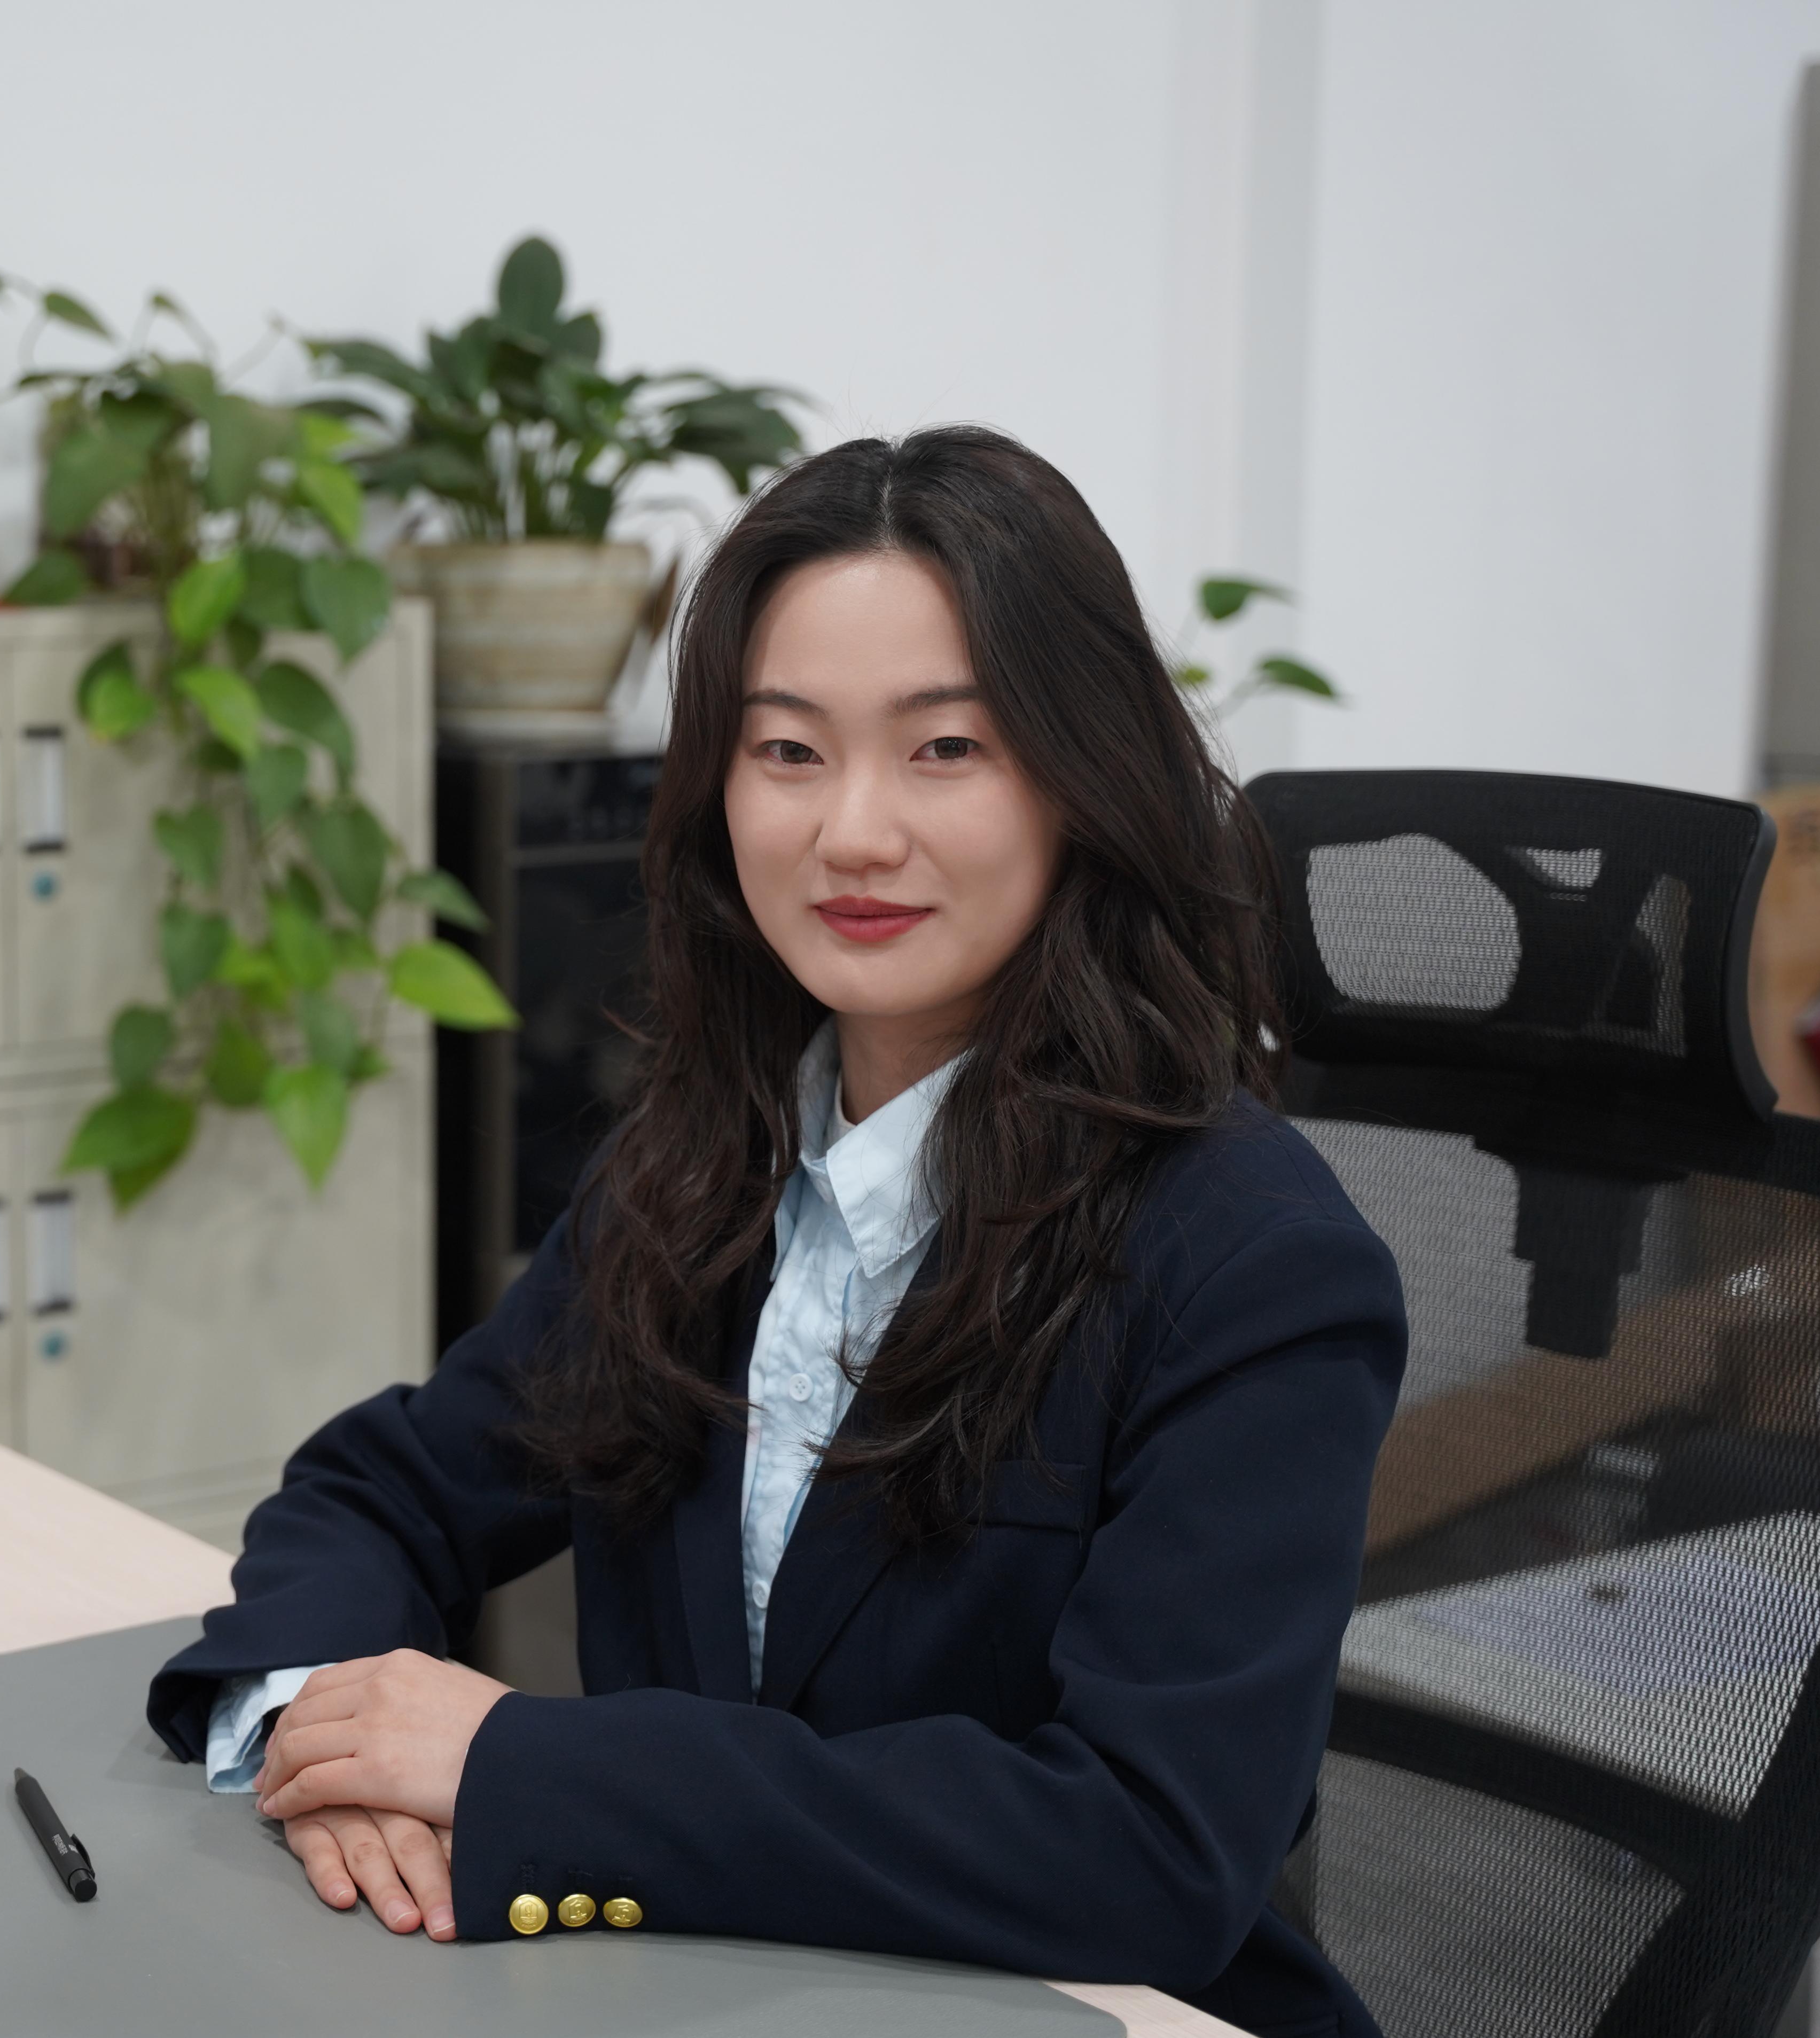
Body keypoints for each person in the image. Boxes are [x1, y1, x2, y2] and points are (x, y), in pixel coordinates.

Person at [145, 426, 1407, 2038]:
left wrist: (520, 1766)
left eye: (944, 748)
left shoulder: (1252, 1266)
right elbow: (385, 1489)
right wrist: (322, 1740)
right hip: (716, 1994)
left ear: (1082, 779)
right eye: (789, 751)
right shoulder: (701, 1169)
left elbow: (1147, 1848)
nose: (852, 834)